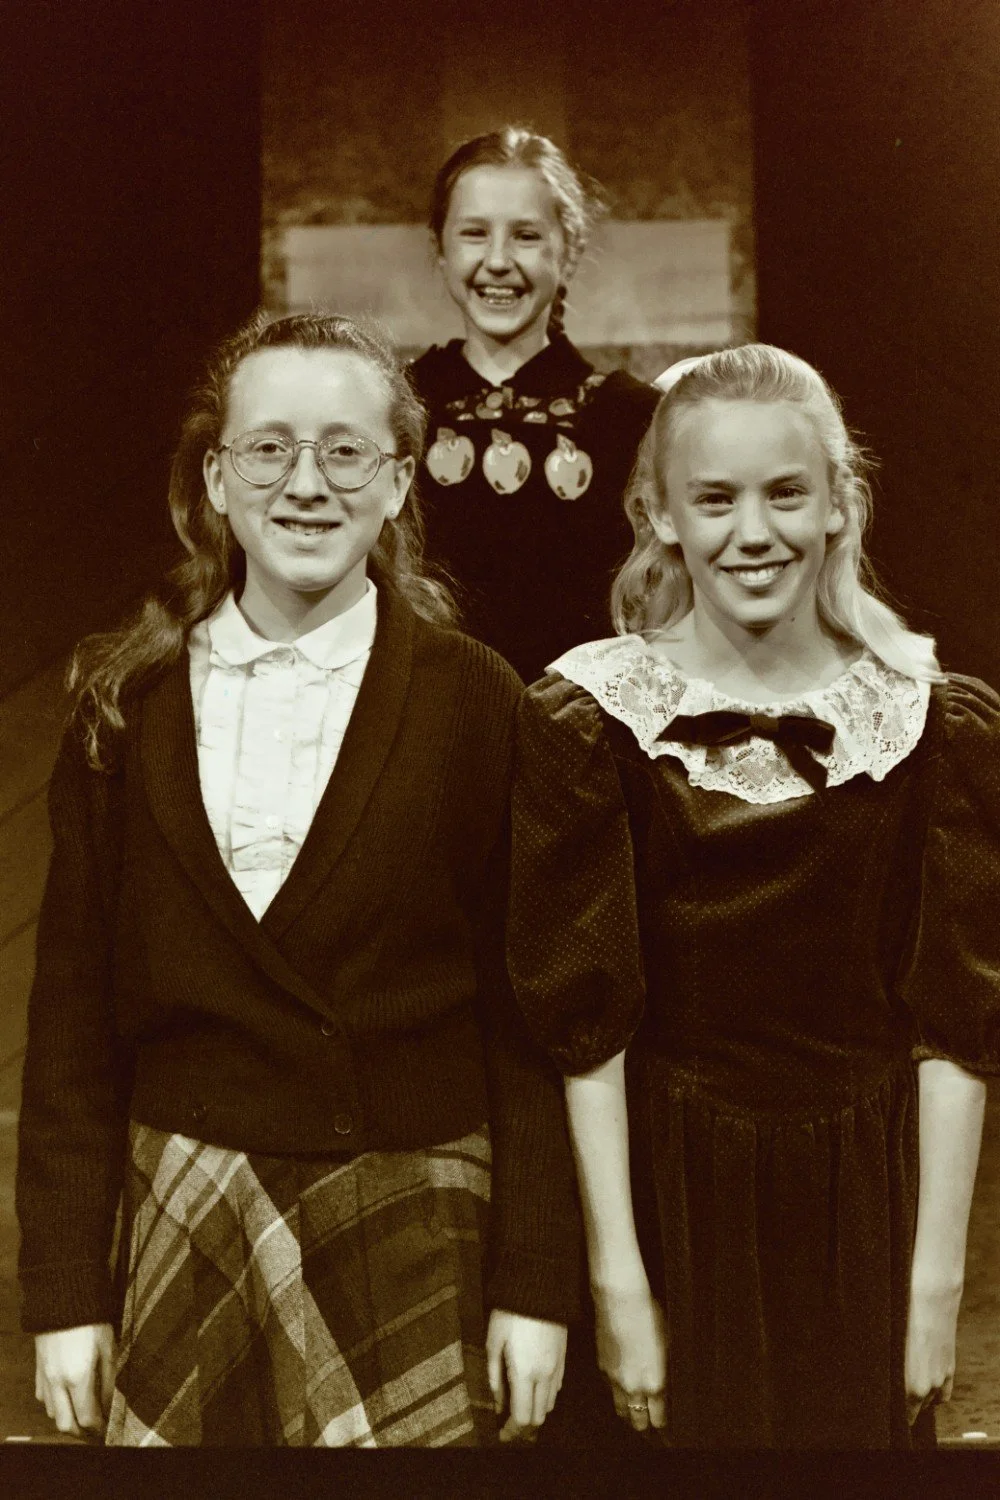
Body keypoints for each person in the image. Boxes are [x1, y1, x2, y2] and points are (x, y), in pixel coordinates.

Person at [15, 310, 580, 1447]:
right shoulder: (127, 707)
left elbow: (529, 1028)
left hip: (414, 1211)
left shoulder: (479, 700)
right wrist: (65, 1290)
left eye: (345, 451)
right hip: (187, 1206)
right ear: (215, 479)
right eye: (268, 448)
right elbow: (71, 1024)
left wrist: (536, 1281)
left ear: (398, 481)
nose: (306, 483)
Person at [506, 344, 999, 1448]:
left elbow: (955, 1029)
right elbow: (585, 1036)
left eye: (786, 494)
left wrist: (934, 1283)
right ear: (661, 516)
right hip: (662, 1191)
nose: (753, 532)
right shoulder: (589, 719)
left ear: (837, 506)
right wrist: (618, 1283)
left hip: (862, 1204)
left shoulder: (932, 723)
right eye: (714, 500)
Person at [408, 126, 661, 686]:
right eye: (474, 233)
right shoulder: (392, 410)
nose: (497, 261)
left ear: (567, 254)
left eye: (525, 236)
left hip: (582, 739)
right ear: (440, 252)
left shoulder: (636, 420)